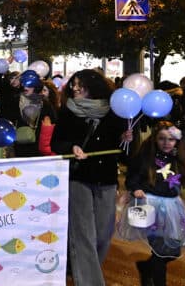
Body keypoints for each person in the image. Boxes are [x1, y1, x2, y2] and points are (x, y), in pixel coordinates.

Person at [50, 69, 132, 286]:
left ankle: (76, 264)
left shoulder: (115, 112)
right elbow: (56, 143)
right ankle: (89, 281)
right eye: (73, 84)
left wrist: (127, 140)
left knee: (104, 232)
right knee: (83, 233)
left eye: (80, 84)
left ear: (93, 86)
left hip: (106, 178)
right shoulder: (68, 112)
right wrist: (72, 147)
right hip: (77, 177)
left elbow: (125, 154)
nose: (75, 87)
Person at [119, 121, 185, 286]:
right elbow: (133, 177)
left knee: (173, 250)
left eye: (171, 139)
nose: (166, 143)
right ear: (155, 139)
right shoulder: (146, 157)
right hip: (150, 205)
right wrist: (135, 188)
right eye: (162, 139)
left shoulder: (177, 159)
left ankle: (146, 267)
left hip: (172, 206)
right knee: (160, 251)